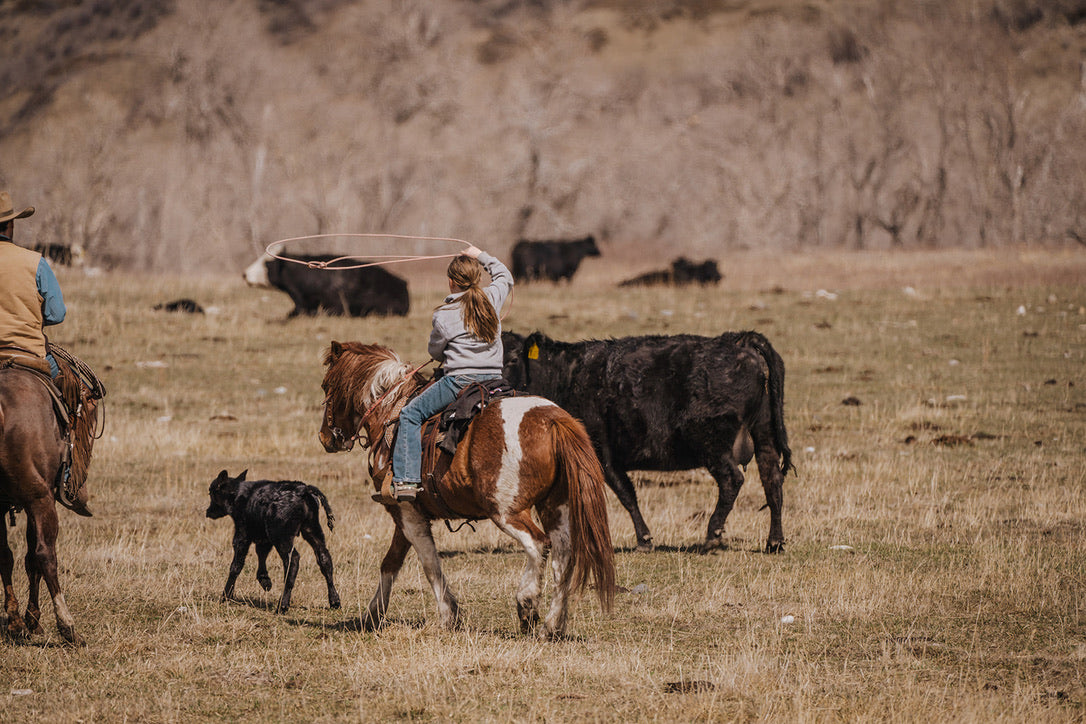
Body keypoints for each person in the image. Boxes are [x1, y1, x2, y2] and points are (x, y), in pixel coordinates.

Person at [390, 244, 514, 502]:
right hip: (494, 380)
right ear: (478, 278)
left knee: (410, 414)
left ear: (451, 282)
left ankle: (406, 482)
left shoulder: (444, 315)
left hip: (459, 383)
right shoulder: (492, 298)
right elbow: (505, 276)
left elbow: (435, 352)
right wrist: (480, 255)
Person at [0, 190, 93, 515]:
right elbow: (56, 314)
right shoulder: (34, 262)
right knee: (81, 395)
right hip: (28, 353)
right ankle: (71, 479)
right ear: (11, 225)